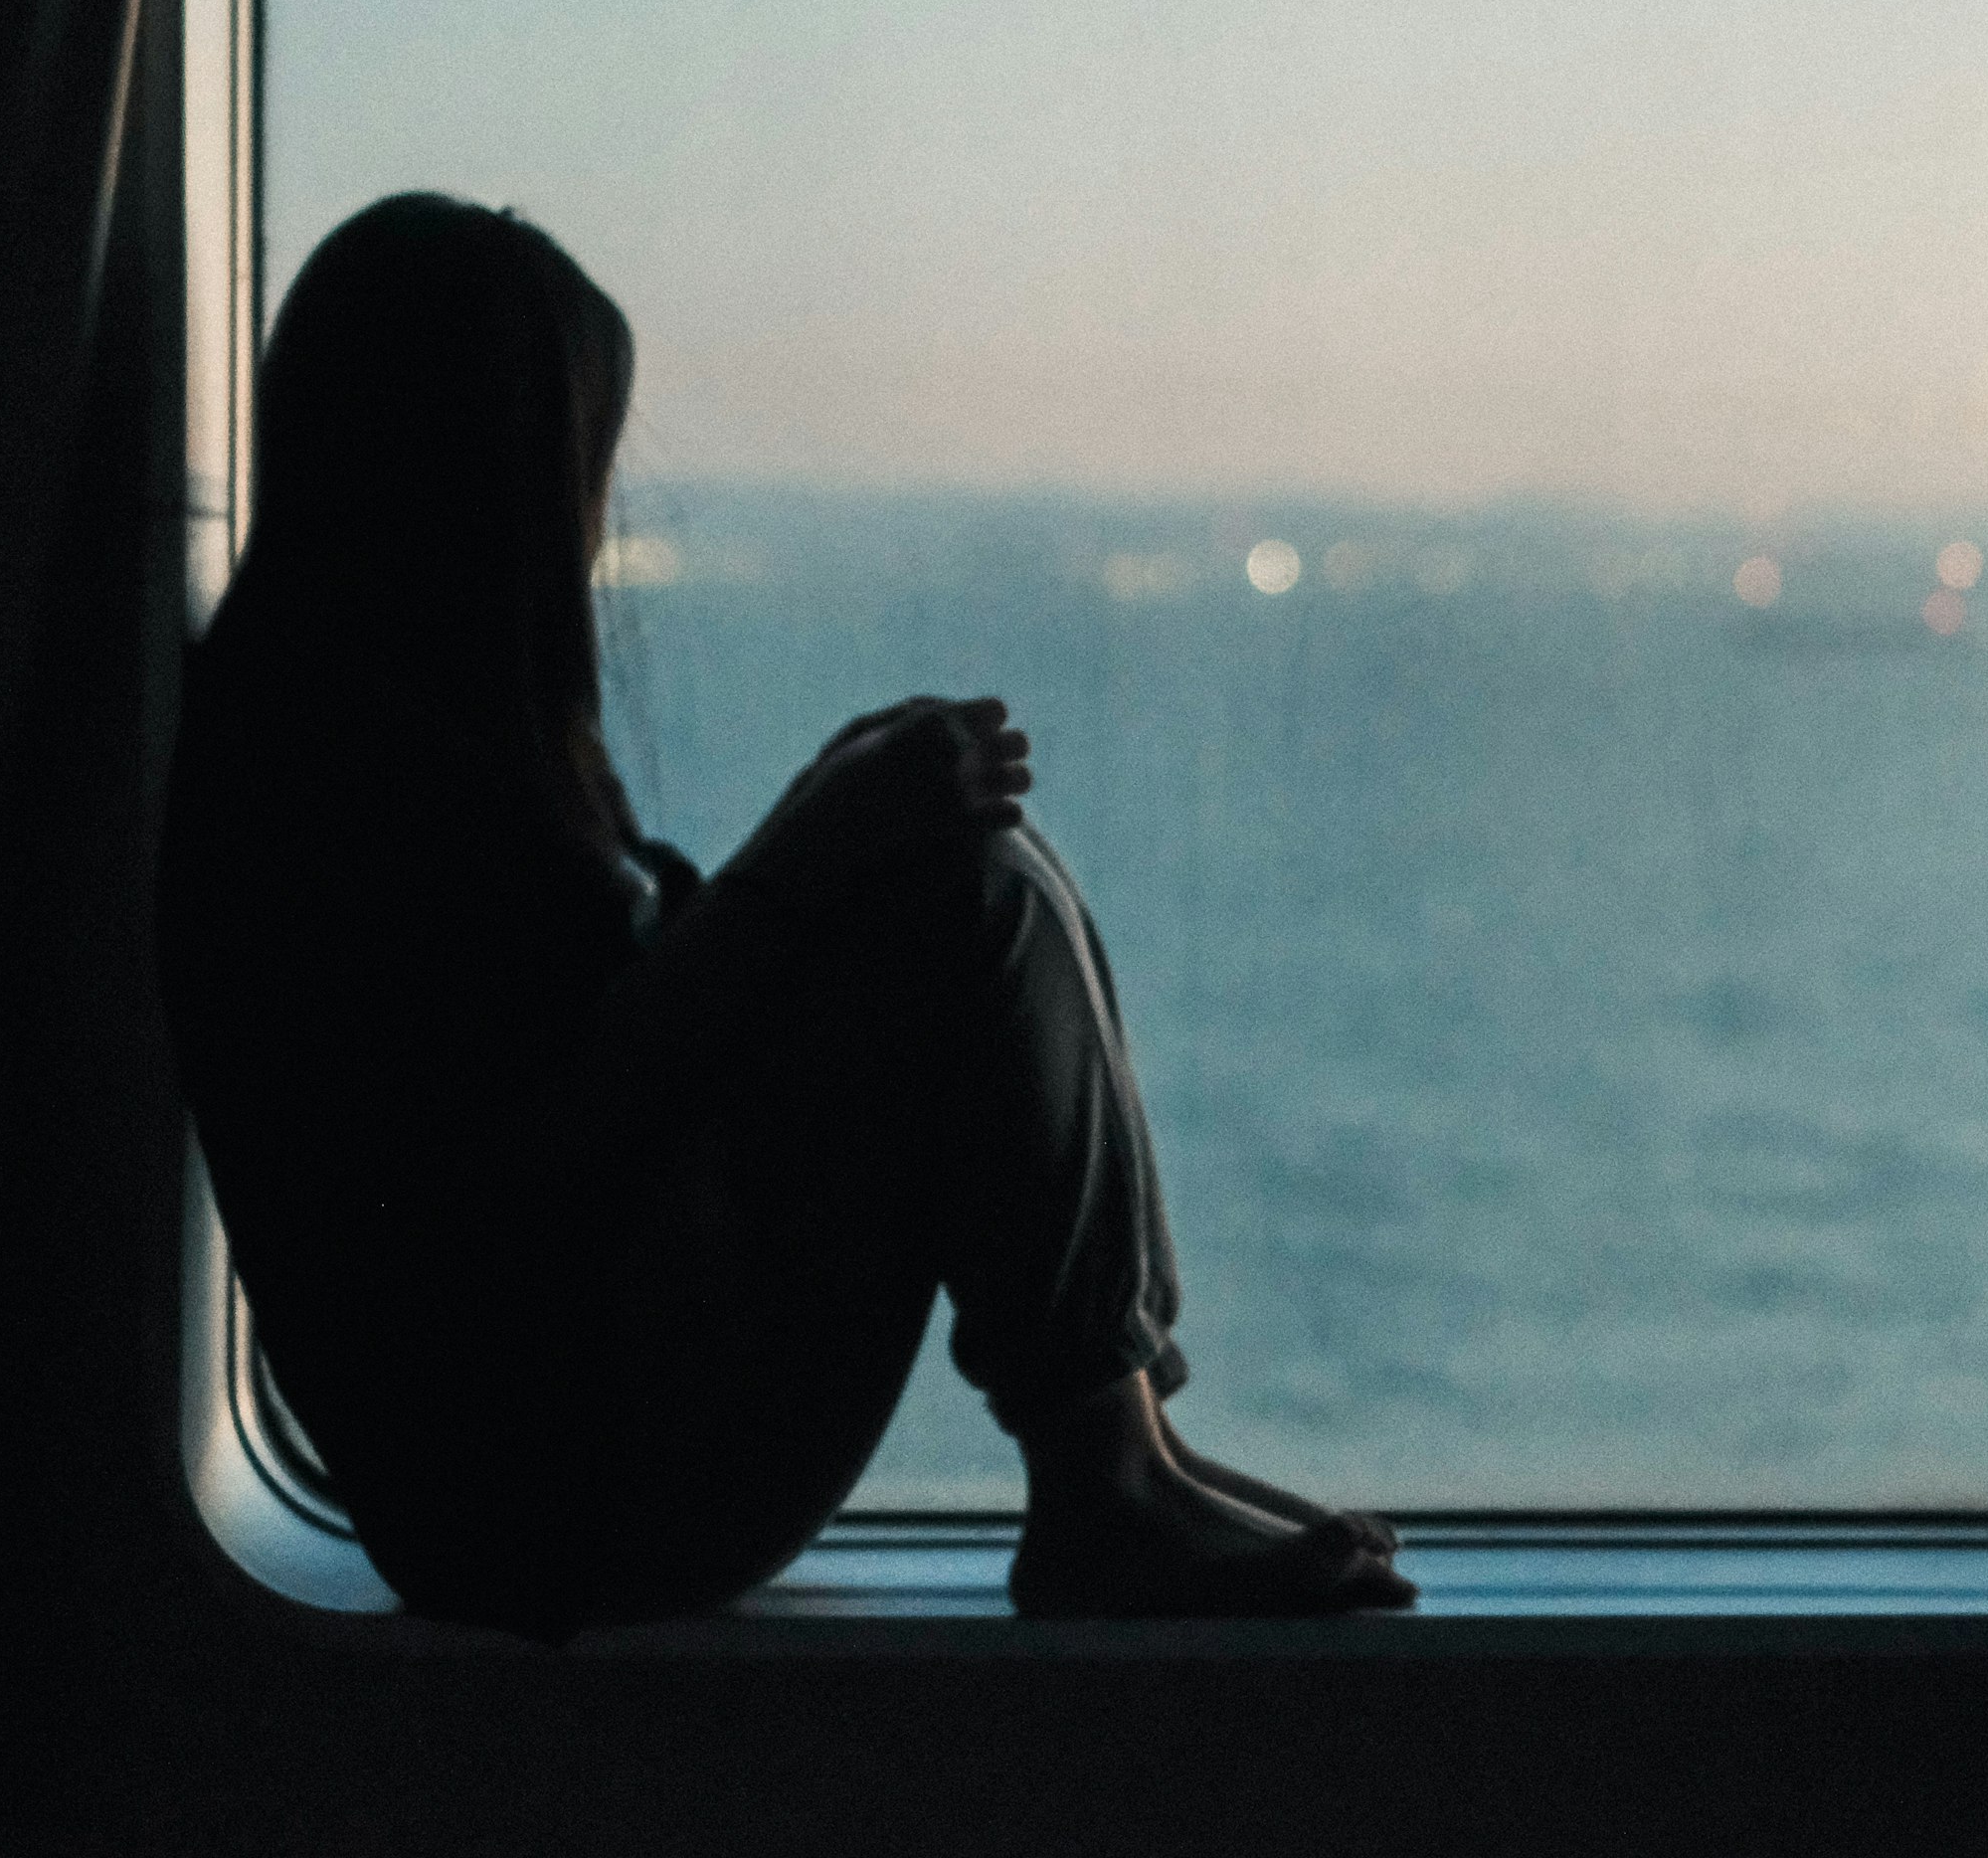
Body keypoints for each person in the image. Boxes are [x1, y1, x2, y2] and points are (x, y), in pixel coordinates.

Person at [156, 192, 1412, 1634]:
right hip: (557, 1498)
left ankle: (1130, 1446)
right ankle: (1106, 1485)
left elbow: (610, 1019)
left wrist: (826, 822)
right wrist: (811, 853)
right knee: (964, 900)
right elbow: (532, 1149)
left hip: (568, 1441)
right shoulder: (329, 779)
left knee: (963, 857)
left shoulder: (382, 734)